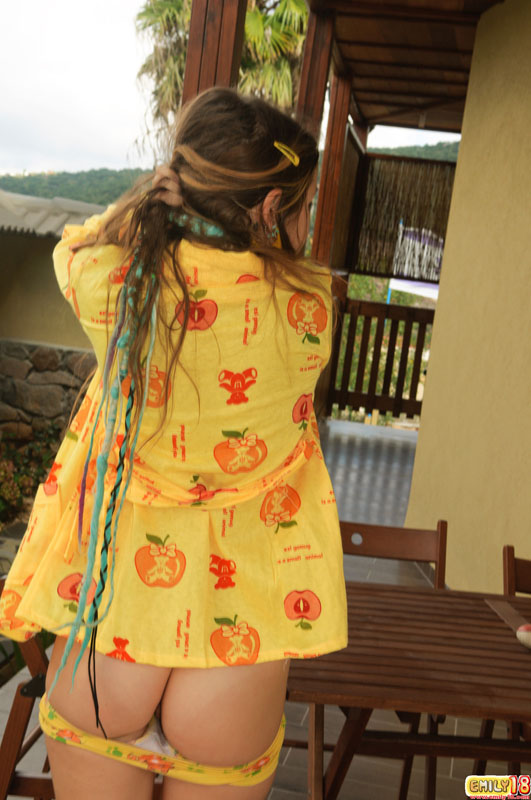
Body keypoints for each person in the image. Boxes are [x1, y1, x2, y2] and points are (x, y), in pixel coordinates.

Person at [0, 88, 347, 800]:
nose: (304, 220)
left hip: (108, 643)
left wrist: (146, 202)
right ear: (271, 206)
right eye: (301, 205)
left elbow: (74, 245)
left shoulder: (118, 284)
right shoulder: (307, 308)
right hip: (234, 658)